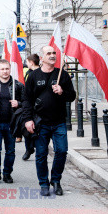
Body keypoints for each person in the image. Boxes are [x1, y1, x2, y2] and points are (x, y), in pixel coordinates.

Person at [22, 45, 76, 196]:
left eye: (54, 53)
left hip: (58, 122)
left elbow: (72, 96)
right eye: (49, 53)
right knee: (41, 154)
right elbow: (26, 100)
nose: (52, 55)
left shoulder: (62, 75)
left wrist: (62, 91)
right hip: (40, 123)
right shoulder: (33, 76)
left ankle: (56, 180)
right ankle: (44, 183)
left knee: (62, 151)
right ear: (42, 58)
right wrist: (27, 119)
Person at [21, 53, 40, 160]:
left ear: (31, 63)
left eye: (27, 62)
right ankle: (30, 147)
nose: (26, 64)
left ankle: (30, 148)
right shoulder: (28, 72)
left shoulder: (34, 74)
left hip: (35, 105)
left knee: (28, 128)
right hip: (30, 105)